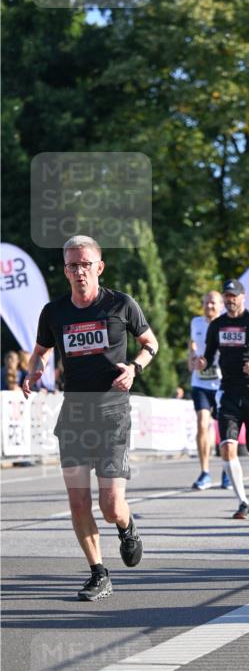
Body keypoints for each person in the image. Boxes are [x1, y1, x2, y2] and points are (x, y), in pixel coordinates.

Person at [22, 235, 158, 601]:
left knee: (110, 504)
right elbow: (40, 351)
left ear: (99, 267)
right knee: (79, 502)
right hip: (75, 413)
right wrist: (34, 369)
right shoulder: (54, 312)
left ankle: (126, 527)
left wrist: (134, 368)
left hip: (112, 411)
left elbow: (151, 344)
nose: (79, 271)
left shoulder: (121, 304)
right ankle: (98, 572)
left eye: (85, 264)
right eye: (72, 265)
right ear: (65, 271)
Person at [197, 278, 249, 519]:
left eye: (234, 296)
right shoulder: (217, 325)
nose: (230, 300)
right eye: (227, 296)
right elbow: (209, 355)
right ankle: (243, 502)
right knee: (227, 448)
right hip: (229, 392)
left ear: (243, 297)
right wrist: (202, 362)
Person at [188, 291, 230, 490]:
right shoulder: (196, 323)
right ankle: (204, 473)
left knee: (224, 428)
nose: (209, 306)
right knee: (202, 424)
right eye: (206, 303)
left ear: (221, 305)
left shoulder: (227, 324)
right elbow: (192, 345)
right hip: (200, 383)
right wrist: (191, 360)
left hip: (222, 383)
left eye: (213, 303)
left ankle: (227, 470)